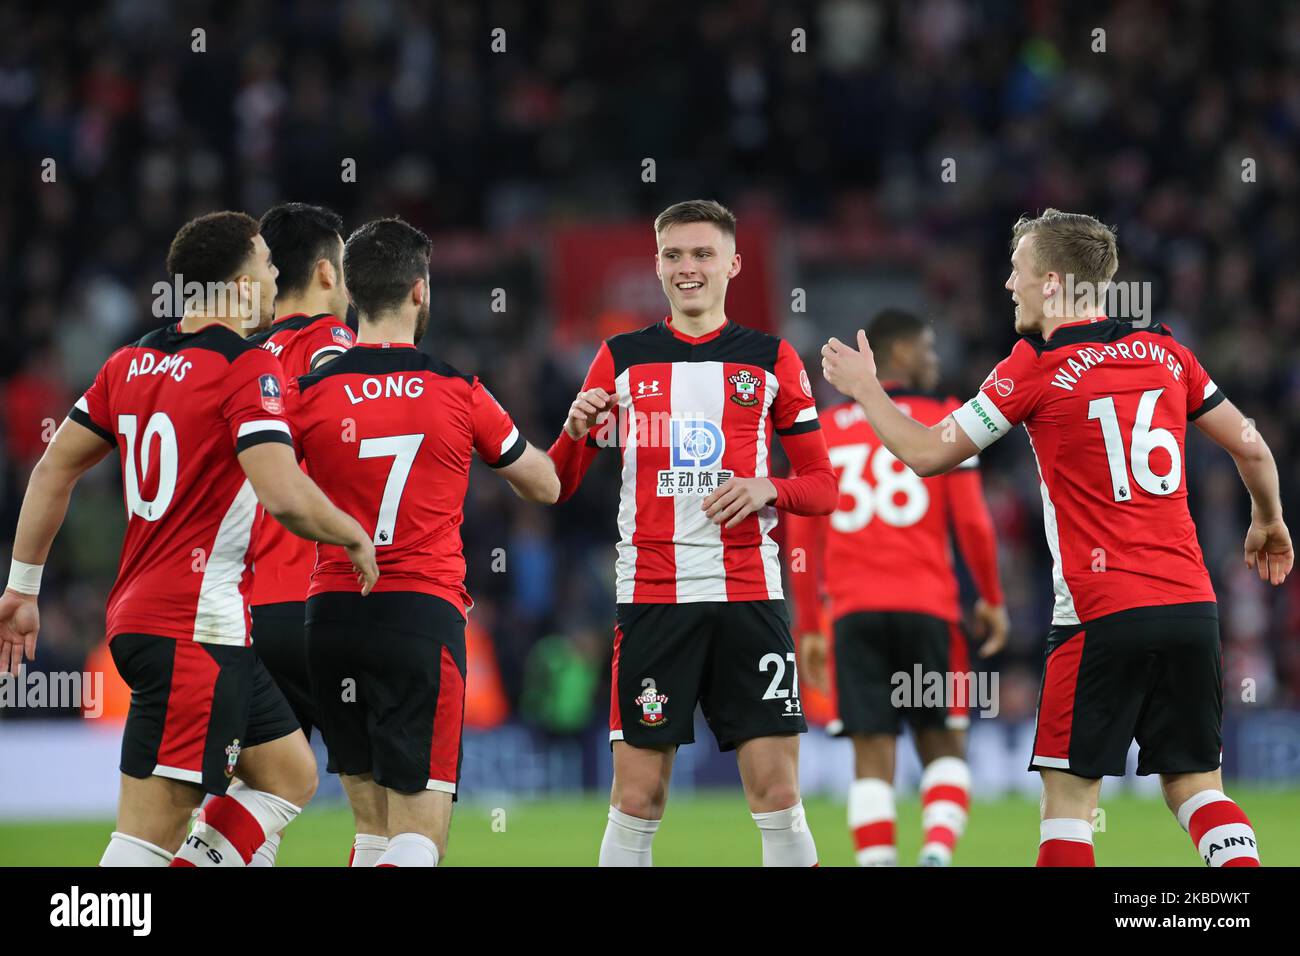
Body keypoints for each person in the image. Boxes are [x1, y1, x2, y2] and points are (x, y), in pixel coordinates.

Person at [820, 208, 1292, 867]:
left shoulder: (1033, 366)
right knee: (1194, 786)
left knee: (1069, 806)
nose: (1007, 286)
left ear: (1048, 281)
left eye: (1015, 273)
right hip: (1191, 606)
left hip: (1099, 615)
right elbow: (1254, 450)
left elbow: (929, 453)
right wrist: (1267, 519)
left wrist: (868, 392)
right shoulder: (1167, 352)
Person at [0, 211, 378, 867]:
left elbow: (53, 467)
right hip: (192, 629)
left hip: (154, 617)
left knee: (288, 772)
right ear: (237, 281)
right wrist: (352, 533)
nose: (272, 276)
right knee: (147, 834)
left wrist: (22, 586)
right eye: (263, 263)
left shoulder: (130, 362)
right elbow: (284, 494)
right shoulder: (244, 369)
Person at [548, 199, 837, 867]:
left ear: (733, 264)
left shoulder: (772, 359)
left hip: (750, 599)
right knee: (638, 798)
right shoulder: (619, 358)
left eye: (703, 254)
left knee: (777, 791)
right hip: (652, 600)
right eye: (674, 255)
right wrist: (571, 430)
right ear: (656, 265)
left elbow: (823, 486)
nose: (688, 268)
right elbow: (559, 484)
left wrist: (771, 487)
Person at [288, 217, 559, 867]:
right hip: (418, 616)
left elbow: (269, 485)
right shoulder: (459, 390)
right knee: (417, 836)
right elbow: (544, 485)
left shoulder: (307, 393)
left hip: (330, 616)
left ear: (350, 293)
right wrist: (575, 432)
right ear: (420, 291)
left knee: (371, 829)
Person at [787, 308, 1007, 866]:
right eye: (928, 348)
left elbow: (800, 537)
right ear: (902, 354)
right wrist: (991, 598)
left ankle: (878, 862)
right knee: (942, 744)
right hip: (927, 608)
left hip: (854, 614)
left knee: (871, 755)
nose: (936, 360)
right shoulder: (945, 419)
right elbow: (974, 524)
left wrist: (809, 624)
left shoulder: (825, 431)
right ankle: (935, 851)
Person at [242, 201, 360, 866]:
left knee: (259, 800)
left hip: (252, 614)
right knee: (385, 808)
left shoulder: (239, 362)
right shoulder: (350, 357)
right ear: (324, 273)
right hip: (336, 604)